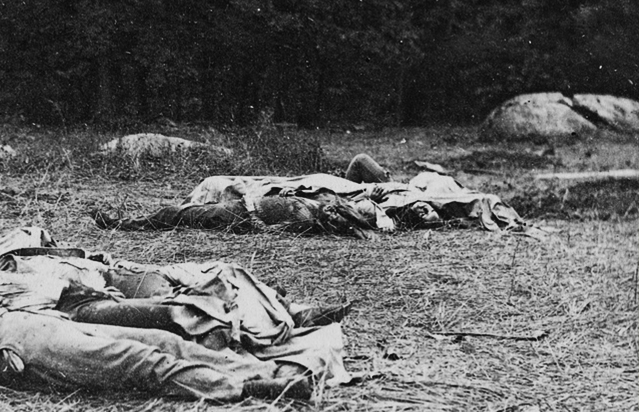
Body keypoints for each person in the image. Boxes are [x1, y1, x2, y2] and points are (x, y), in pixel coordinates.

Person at [0, 293, 326, 402]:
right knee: (136, 362)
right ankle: (250, 387)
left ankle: (266, 365)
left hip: (24, 323)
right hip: (9, 343)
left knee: (157, 338)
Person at [94, 153, 523, 235]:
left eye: (426, 212)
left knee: (187, 214)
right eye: (427, 207)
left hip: (263, 211)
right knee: (188, 212)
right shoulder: (388, 195)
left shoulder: (380, 216)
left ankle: (126, 223)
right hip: (302, 195)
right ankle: (128, 222)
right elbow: (358, 168)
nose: (428, 209)